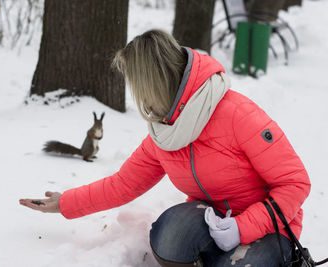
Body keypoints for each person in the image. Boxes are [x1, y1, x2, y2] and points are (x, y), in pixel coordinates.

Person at [19, 29, 311, 266]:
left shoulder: (236, 114)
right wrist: (66, 202)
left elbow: (295, 183)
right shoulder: (166, 131)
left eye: (136, 85)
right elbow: (123, 184)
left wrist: (242, 227)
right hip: (214, 219)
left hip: (269, 228)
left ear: (152, 83)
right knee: (168, 236)